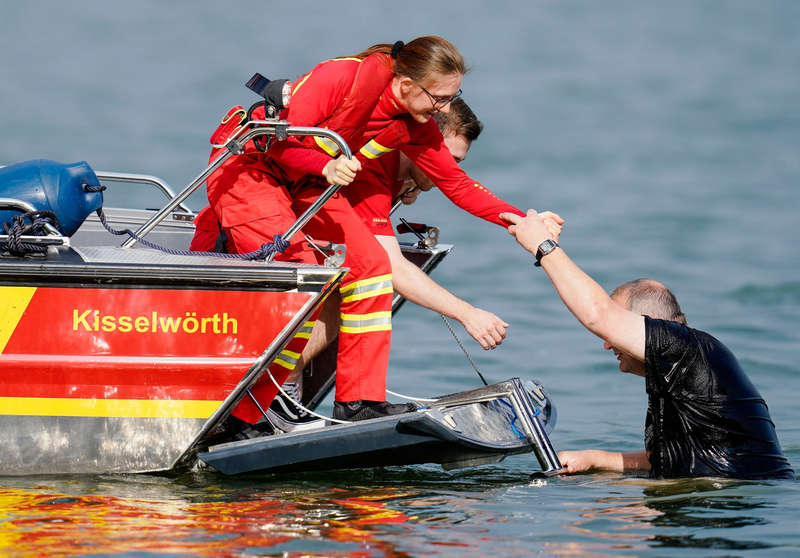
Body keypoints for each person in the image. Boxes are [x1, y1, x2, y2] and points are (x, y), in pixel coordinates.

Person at [195, 37, 563, 425]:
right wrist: (324, 168)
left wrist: (521, 221)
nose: (444, 109)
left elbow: (459, 185)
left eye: (452, 97)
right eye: (439, 98)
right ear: (407, 86)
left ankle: (358, 402)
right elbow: (275, 141)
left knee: (372, 270)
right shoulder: (341, 78)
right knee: (300, 273)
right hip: (253, 166)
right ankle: (241, 414)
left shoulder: (416, 127)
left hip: (309, 181)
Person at [268, 99, 519, 431]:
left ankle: (285, 388)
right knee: (369, 277)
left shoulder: (396, 173)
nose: (451, 169)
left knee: (350, 282)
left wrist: (523, 218)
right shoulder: (372, 171)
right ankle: (280, 391)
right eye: (448, 158)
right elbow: (393, 268)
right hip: (269, 226)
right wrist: (468, 314)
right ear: (421, 144)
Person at [500, 209, 794, 480]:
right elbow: (669, 458)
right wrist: (593, 458)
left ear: (652, 324)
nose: (607, 344)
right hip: (719, 501)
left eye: (617, 332)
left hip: (737, 503)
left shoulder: (686, 347)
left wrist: (542, 245)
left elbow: (598, 315)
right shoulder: (682, 370)